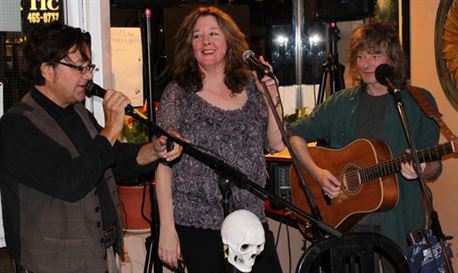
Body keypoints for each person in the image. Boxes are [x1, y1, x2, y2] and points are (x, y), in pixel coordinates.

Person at [0, 22, 182, 273]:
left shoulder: (78, 113)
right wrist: (110, 130)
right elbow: (70, 182)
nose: (88, 76)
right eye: (79, 68)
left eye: (89, 67)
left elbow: (112, 159)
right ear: (47, 71)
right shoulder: (17, 125)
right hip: (53, 265)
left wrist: (155, 149)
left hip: (99, 256)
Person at [288, 20, 442, 251]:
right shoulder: (341, 102)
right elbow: (294, 135)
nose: (366, 64)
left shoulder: (417, 101)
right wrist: (317, 173)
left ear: (392, 59)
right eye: (360, 56)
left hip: (401, 223)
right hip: (346, 223)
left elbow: (435, 166)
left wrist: (422, 169)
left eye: (375, 55)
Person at [155, 6, 285, 273]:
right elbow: (164, 163)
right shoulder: (177, 93)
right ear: (189, 45)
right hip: (198, 222)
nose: (205, 42)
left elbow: (276, 143)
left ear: (229, 40)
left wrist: (272, 95)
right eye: (197, 35)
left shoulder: (252, 85)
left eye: (213, 33)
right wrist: (167, 228)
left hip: (250, 220)